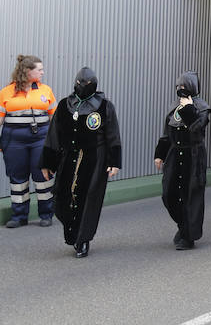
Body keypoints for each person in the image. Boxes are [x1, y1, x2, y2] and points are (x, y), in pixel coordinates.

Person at [40, 68, 121, 257]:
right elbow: (54, 135)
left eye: (88, 84)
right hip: (68, 159)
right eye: (81, 84)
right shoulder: (64, 105)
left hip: (95, 160)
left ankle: (83, 239)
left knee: (88, 200)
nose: (83, 87)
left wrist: (114, 161)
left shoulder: (104, 106)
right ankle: (73, 232)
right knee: (62, 199)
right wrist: (48, 163)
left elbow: (113, 135)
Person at [153, 71, 211, 250]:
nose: (180, 90)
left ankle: (189, 236)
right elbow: (166, 133)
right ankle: (183, 225)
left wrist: (188, 108)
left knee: (191, 196)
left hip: (193, 156)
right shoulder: (174, 107)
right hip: (174, 154)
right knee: (169, 194)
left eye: (184, 86)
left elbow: (197, 127)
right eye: (178, 86)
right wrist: (160, 154)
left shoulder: (202, 107)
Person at [0, 55, 57, 228]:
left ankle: (46, 214)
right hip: (14, 140)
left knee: (43, 175)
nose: (42, 72)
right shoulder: (6, 92)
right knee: (18, 178)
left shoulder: (45, 90)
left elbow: (53, 118)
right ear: (27, 71)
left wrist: (56, 142)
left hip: (40, 139)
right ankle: (19, 217)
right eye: (39, 69)